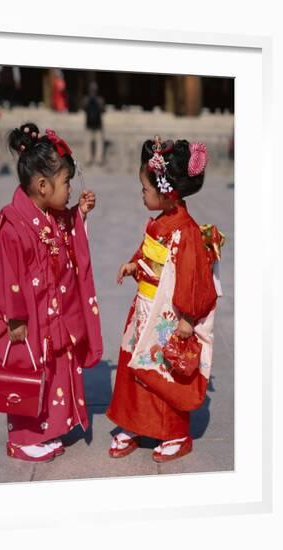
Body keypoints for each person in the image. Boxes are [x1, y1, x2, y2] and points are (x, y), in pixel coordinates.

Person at [0, 122, 103, 462]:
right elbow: (6, 276)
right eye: (66, 183)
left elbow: (65, 239)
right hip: (27, 316)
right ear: (41, 185)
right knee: (29, 368)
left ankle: (45, 429)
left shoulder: (49, 214)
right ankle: (22, 439)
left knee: (52, 368)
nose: (68, 189)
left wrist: (78, 215)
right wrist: (16, 318)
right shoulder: (14, 224)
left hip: (50, 312)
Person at [106, 136, 224, 462]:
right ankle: (132, 423)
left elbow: (194, 278)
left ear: (165, 191)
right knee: (134, 367)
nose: (142, 194)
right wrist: (134, 264)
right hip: (144, 308)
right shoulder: (160, 225)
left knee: (163, 373)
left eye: (145, 189)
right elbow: (148, 253)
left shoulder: (185, 231)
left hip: (168, 314)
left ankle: (174, 432)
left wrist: (188, 318)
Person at [82, 82, 105, 166]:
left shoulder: (86, 99)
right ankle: (93, 159)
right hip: (93, 124)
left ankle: (95, 159)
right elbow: (103, 110)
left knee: (93, 142)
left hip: (94, 124)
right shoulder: (99, 99)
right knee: (95, 142)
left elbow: (83, 108)